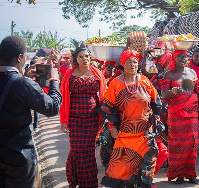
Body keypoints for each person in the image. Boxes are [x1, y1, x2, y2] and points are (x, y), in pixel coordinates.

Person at [0, 35, 62, 187]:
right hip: (18, 156)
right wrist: (54, 81)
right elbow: (52, 107)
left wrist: (22, 77)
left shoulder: (21, 82)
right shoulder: (23, 84)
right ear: (20, 57)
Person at [99, 49, 162, 188]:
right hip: (124, 135)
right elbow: (106, 107)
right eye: (129, 62)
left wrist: (155, 119)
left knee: (143, 171)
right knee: (120, 171)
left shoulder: (145, 81)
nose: (132, 65)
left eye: (135, 62)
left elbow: (156, 102)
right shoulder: (116, 83)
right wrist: (112, 127)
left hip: (144, 135)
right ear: (122, 64)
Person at [59, 47, 106, 188]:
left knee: (89, 153)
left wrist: (103, 118)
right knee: (78, 151)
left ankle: (89, 184)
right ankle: (75, 179)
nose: (85, 59)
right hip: (74, 120)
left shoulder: (97, 73)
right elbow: (63, 98)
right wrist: (63, 121)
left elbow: (104, 96)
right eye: (81, 57)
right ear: (76, 59)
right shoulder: (69, 74)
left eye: (87, 56)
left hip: (92, 120)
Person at [161, 50, 199, 184]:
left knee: (192, 143)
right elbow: (164, 95)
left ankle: (190, 173)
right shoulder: (168, 74)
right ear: (174, 59)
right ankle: (179, 175)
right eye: (180, 56)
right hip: (176, 115)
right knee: (178, 144)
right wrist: (172, 92)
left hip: (192, 114)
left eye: (185, 56)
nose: (183, 58)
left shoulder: (192, 73)